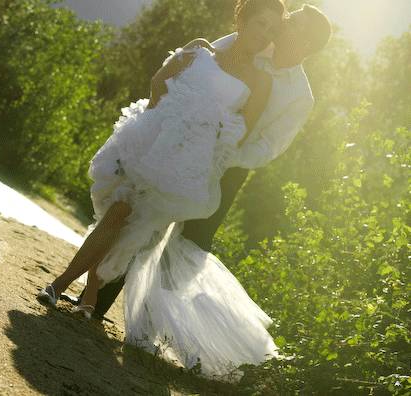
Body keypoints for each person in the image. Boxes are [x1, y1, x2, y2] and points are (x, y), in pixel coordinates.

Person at [76, 3, 332, 322]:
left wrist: (224, 155)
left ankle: (154, 326)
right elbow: (203, 67)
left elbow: (269, 146)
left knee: (189, 246)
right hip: (186, 145)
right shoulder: (253, 37)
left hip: (230, 170)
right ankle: (96, 302)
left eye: (293, 21)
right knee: (141, 216)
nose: (283, 21)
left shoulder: (301, 97)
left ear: (305, 42)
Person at [38, 0, 284, 316]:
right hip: (153, 142)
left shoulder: (261, 81)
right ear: (242, 19)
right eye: (261, 23)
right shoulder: (201, 50)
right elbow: (158, 83)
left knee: (127, 223)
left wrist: (200, 134)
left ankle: (67, 289)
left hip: (187, 163)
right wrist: (160, 124)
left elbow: (243, 131)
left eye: (272, 30)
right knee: (117, 215)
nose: (264, 34)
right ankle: (76, 290)